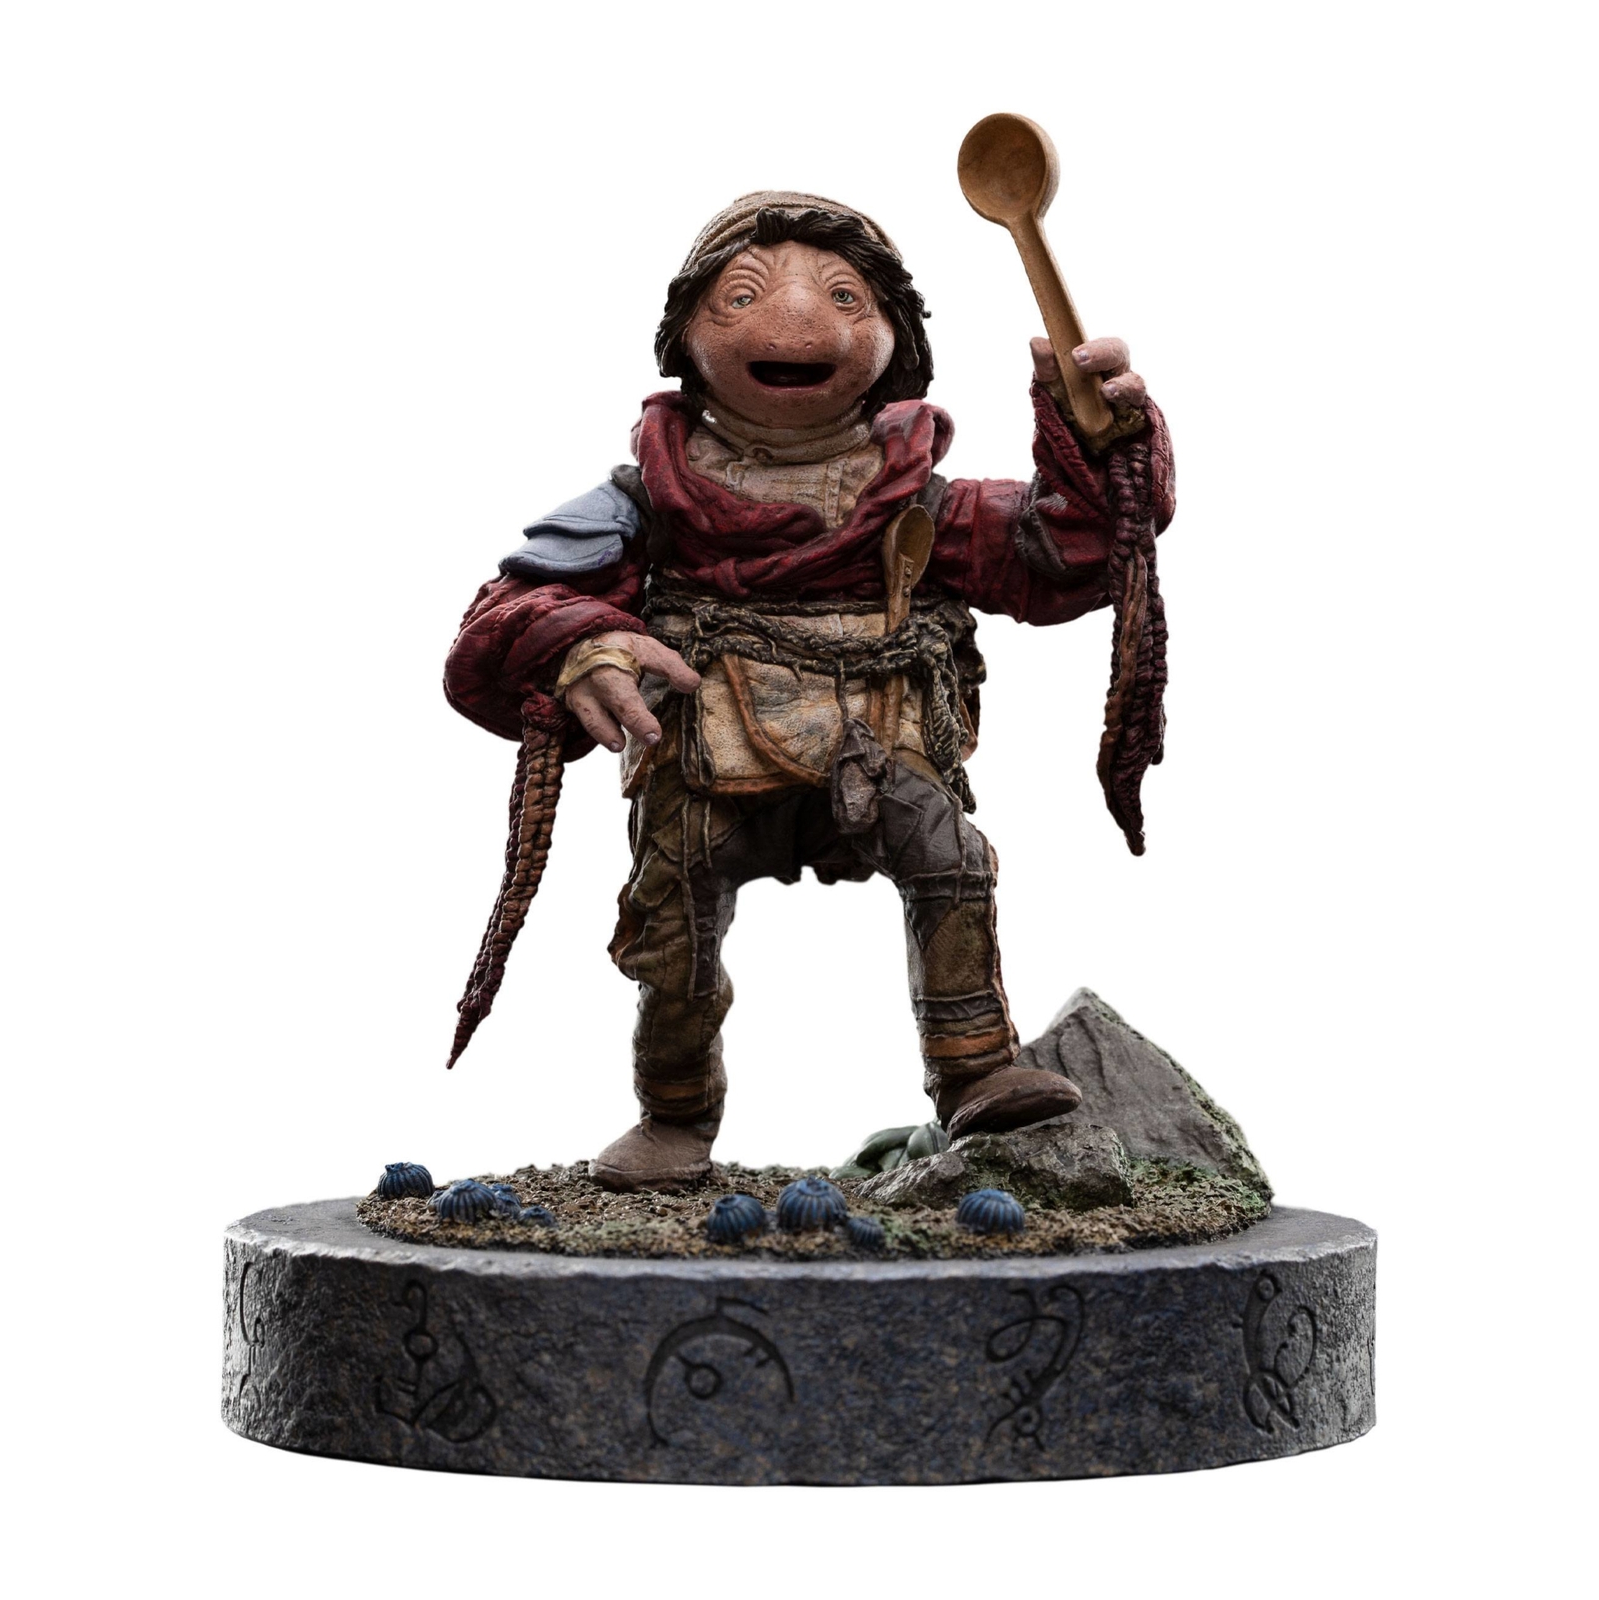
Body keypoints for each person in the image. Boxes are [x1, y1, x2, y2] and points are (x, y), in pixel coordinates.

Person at [444, 192, 1175, 1191]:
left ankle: (974, 1066)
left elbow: (1064, 552)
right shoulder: (648, 499)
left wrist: (1099, 443)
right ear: (687, 332)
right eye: (743, 296)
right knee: (672, 915)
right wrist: (583, 645)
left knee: (950, 859)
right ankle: (672, 1114)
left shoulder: (916, 497)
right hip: (707, 750)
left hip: (879, 741)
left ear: (894, 336)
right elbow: (513, 606)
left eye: (842, 296)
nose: (793, 321)